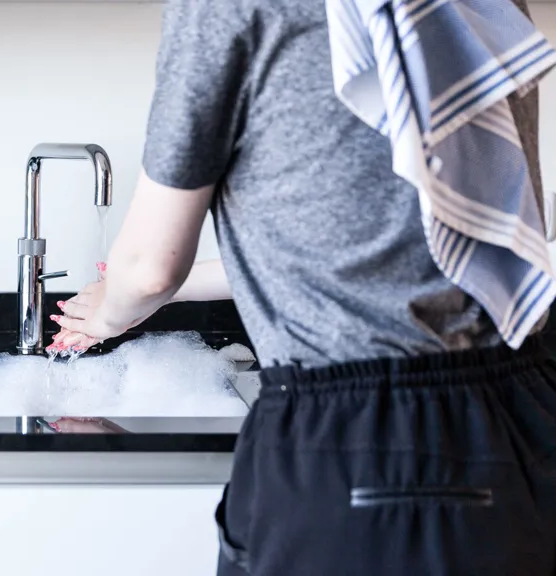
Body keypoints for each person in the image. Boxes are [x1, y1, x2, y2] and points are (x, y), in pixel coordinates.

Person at [49, 0, 556, 574]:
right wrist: (179, 287)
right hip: (524, 410)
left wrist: (110, 313)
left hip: (358, 442)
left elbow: (147, 267)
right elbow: (398, 243)